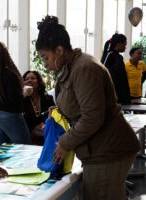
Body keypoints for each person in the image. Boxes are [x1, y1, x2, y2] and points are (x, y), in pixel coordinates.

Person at [36, 15, 140, 200]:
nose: (45, 64)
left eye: (45, 58)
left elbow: (92, 116)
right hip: (100, 151)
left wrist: (65, 143)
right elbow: (80, 104)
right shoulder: (72, 67)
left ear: (59, 50)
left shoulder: (84, 68)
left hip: (109, 151)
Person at [22, 70, 55, 145]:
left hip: (46, 134)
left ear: (39, 82)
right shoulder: (22, 99)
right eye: (26, 79)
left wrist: (44, 123)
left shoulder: (48, 98)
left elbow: (54, 114)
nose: (29, 80)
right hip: (28, 136)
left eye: (33, 78)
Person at [101, 33, 131, 104]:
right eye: (124, 44)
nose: (125, 47)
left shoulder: (120, 57)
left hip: (120, 94)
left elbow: (123, 77)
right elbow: (103, 73)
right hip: (112, 94)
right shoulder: (109, 55)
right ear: (118, 44)